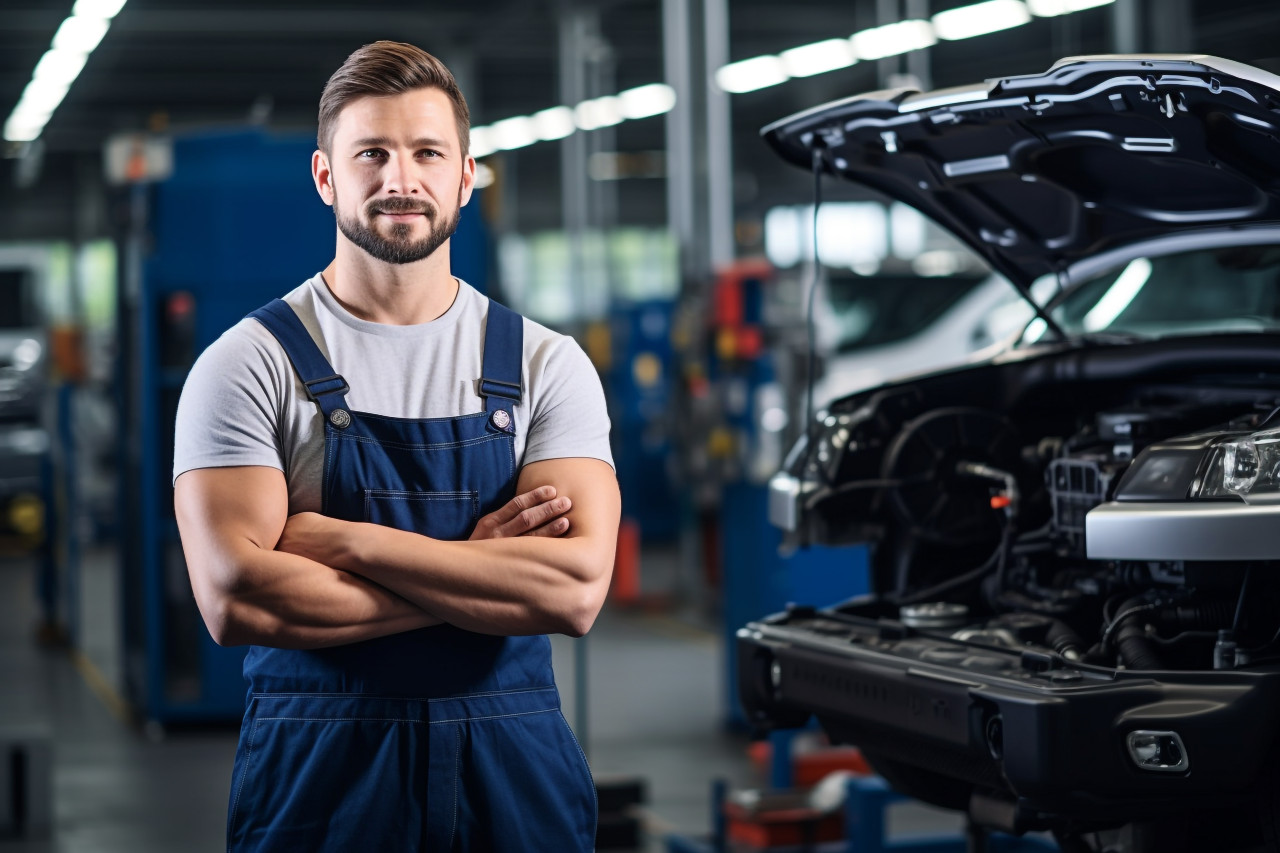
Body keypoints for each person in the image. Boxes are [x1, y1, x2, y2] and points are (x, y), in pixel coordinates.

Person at [172, 40, 619, 852]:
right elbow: (237, 598)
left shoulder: (545, 363)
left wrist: (342, 541)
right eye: (371, 153)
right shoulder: (248, 363)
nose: (400, 179)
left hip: (514, 778)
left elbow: (574, 591)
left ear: (465, 176)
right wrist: (477, 573)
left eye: (426, 153)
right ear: (326, 177)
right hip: (319, 781)